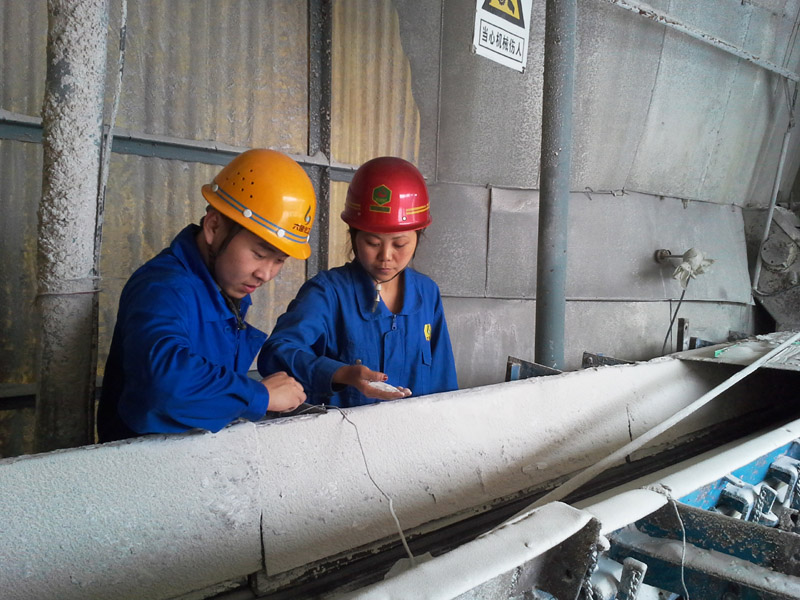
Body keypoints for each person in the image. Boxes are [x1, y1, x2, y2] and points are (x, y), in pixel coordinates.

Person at [97, 149, 315, 442]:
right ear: (213, 226)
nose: (266, 274)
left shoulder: (223, 287)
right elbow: (163, 385)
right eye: (259, 254)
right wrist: (259, 395)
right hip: (142, 461)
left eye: (279, 261)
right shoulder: (163, 287)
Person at [258, 156, 458, 408]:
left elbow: (443, 380)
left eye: (400, 244)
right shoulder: (327, 292)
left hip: (414, 430)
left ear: (418, 236)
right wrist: (340, 373)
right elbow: (277, 352)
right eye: (372, 243)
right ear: (353, 236)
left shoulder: (427, 293)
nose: (386, 256)